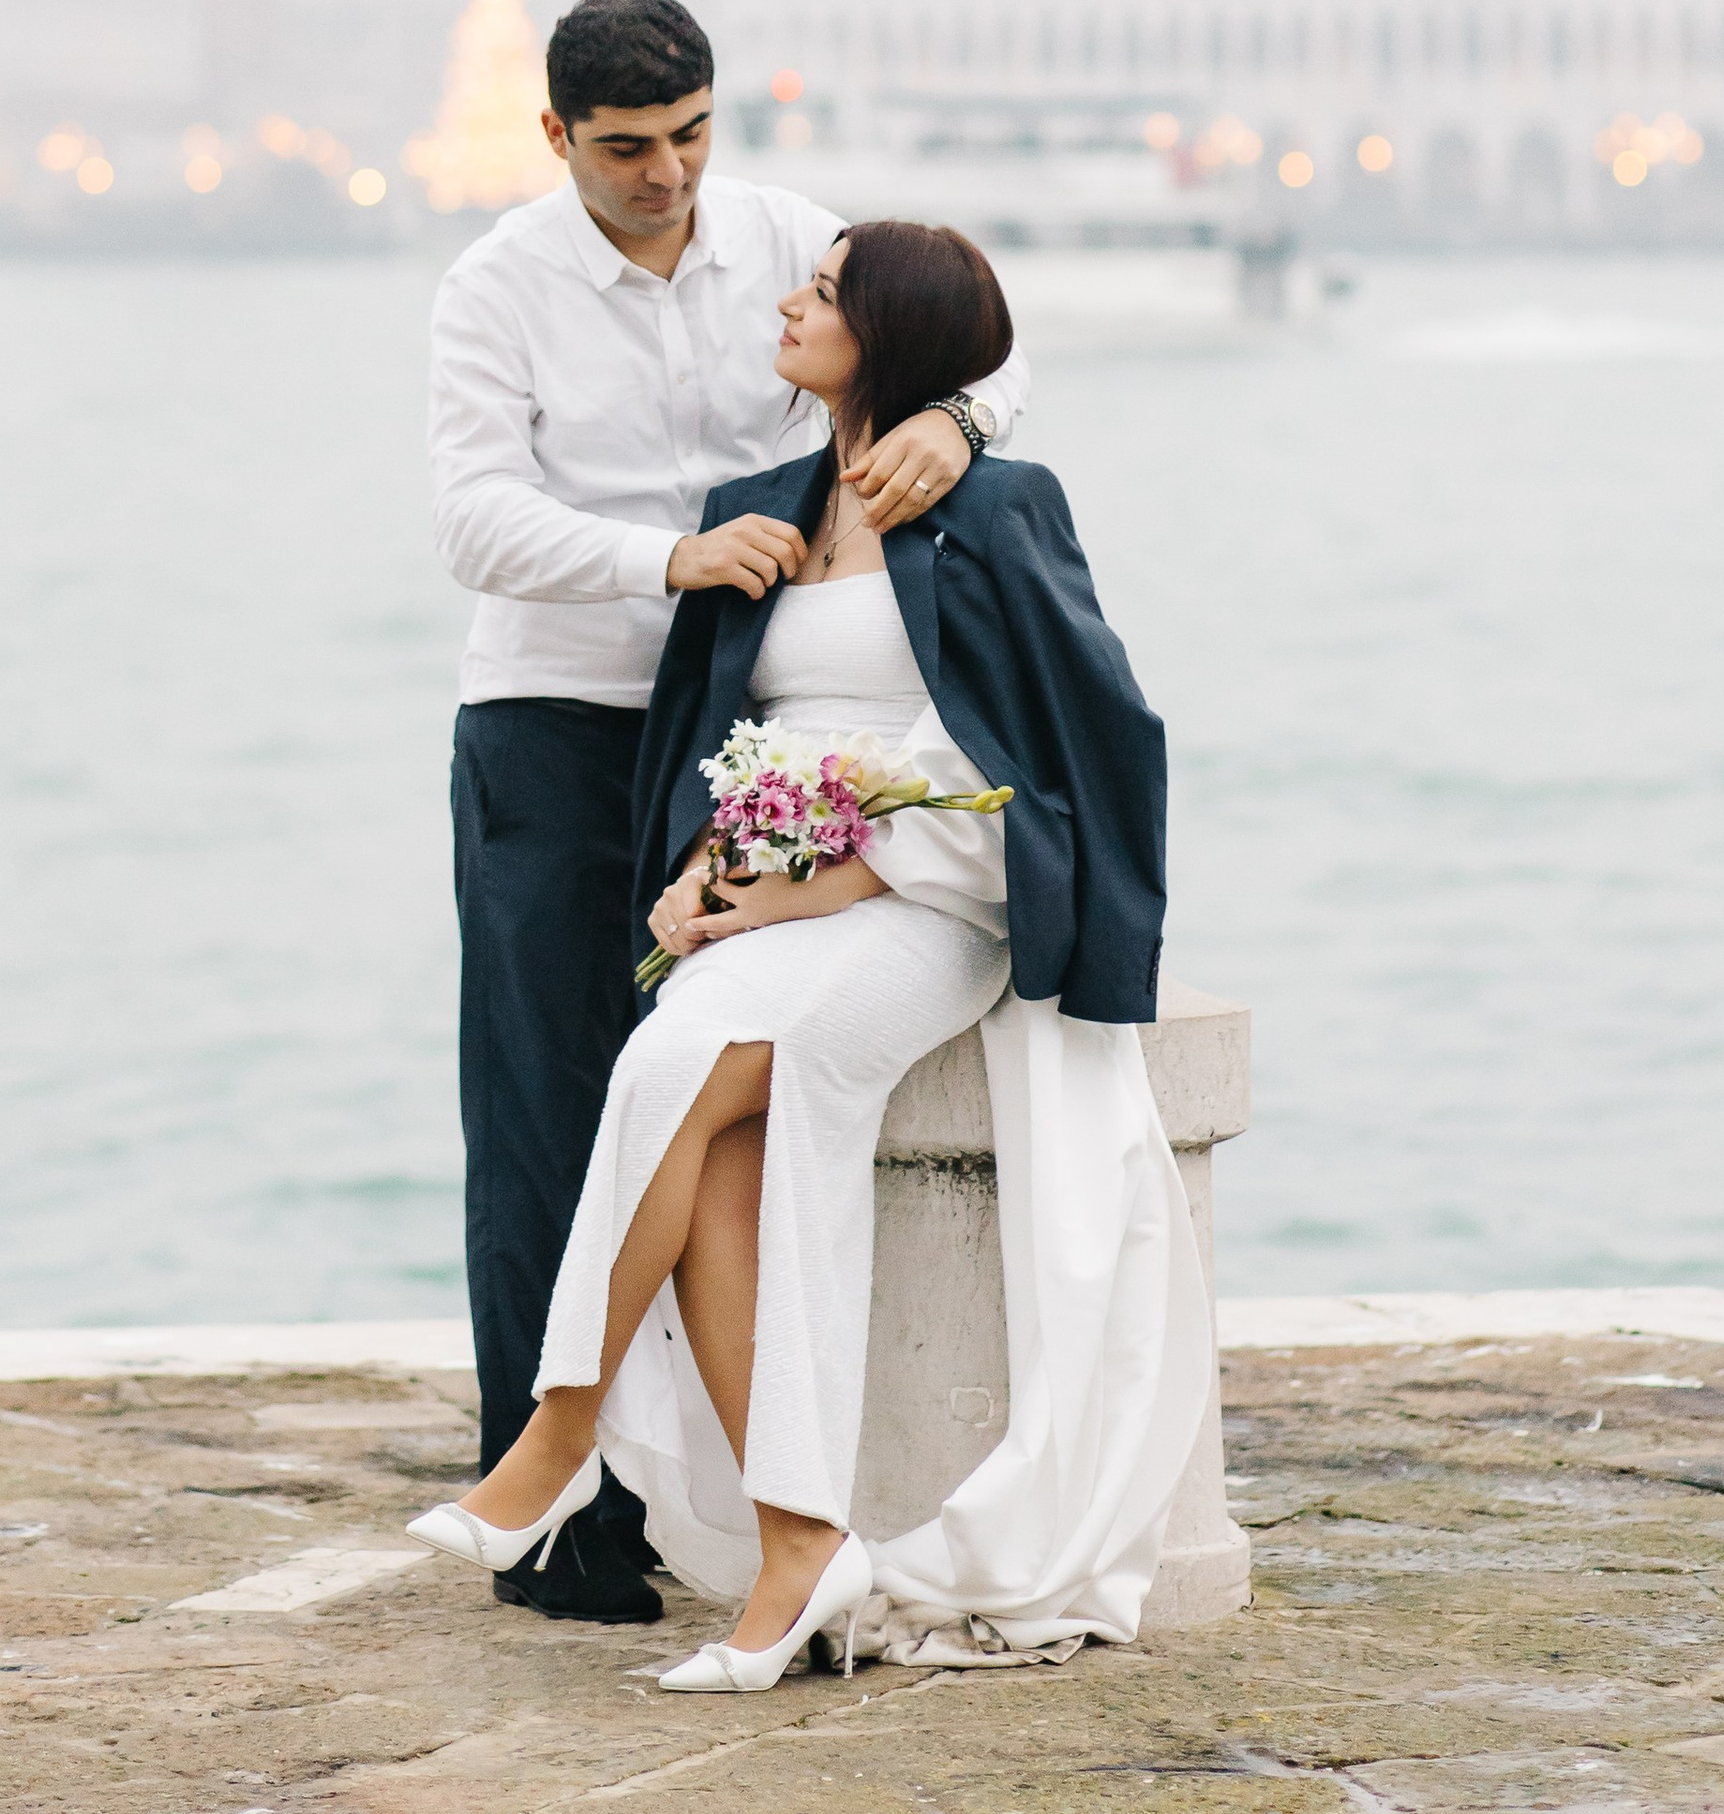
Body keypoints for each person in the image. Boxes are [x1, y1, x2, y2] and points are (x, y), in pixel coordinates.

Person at [411, 220, 1214, 1691]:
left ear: (886, 338)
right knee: (673, 1079)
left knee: (697, 1069)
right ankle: (799, 1546)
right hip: (771, 904)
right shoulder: (756, 512)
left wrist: (849, 867)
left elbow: (1074, 758)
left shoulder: (1004, 507)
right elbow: (715, 745)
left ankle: (561, 1428)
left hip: (927, 911)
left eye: (827, 294)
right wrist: (706, 873)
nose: (789, 299)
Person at [427, 0, 1028, 1621]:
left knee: (686, 1096)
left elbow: (977, 348)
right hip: (555, 721)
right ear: (557, 141)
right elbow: (474, 519)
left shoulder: (790, 237)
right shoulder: (494, 285)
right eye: (628, 150)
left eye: (692, 136)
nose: (668, 175)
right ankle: (560, 1518)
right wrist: (663, 560)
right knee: (546, 1109)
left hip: (740, 732)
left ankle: (706, 1494)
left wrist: (954, 428)